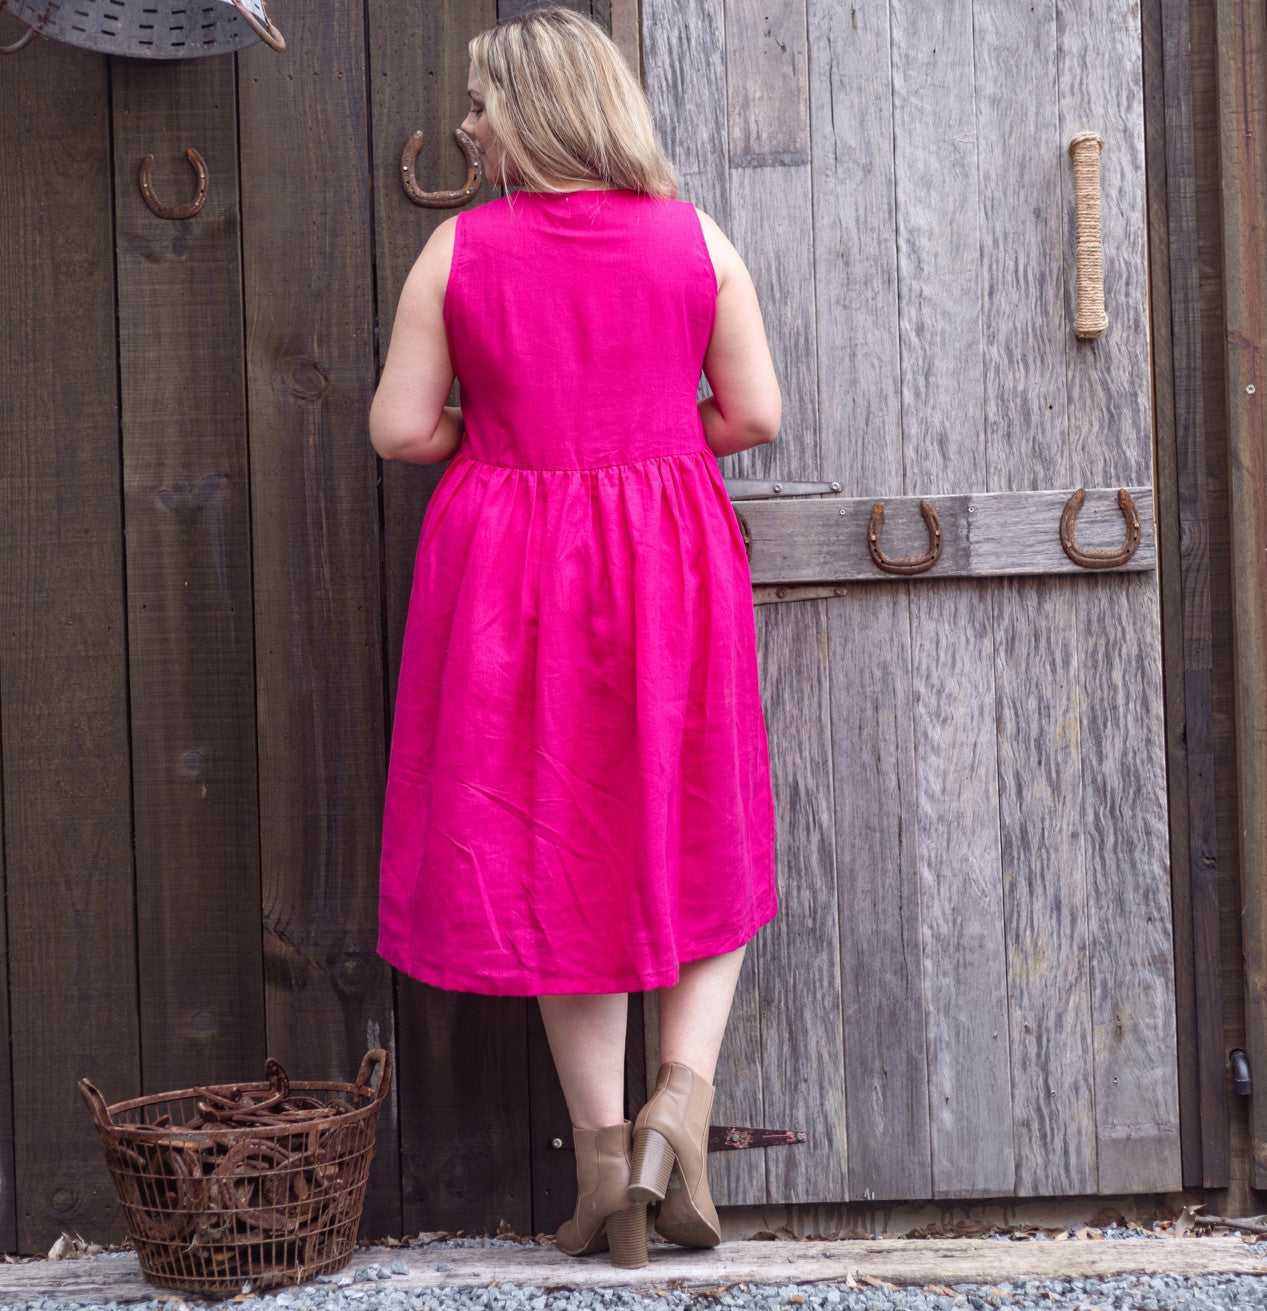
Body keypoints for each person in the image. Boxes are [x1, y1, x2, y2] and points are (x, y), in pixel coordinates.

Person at [369, 6, 782, 1271]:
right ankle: (680, 1116)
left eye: (482, 104)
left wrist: (502, 454)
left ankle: (608, 1178)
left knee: (559, 851)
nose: (467, 125)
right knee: (700, 820)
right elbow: (757, 413)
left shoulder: (460, 250)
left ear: (532, 116)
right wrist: (649, 449)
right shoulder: (696, 239)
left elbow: (398, 430)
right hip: (670, 561)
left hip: (511, 573)